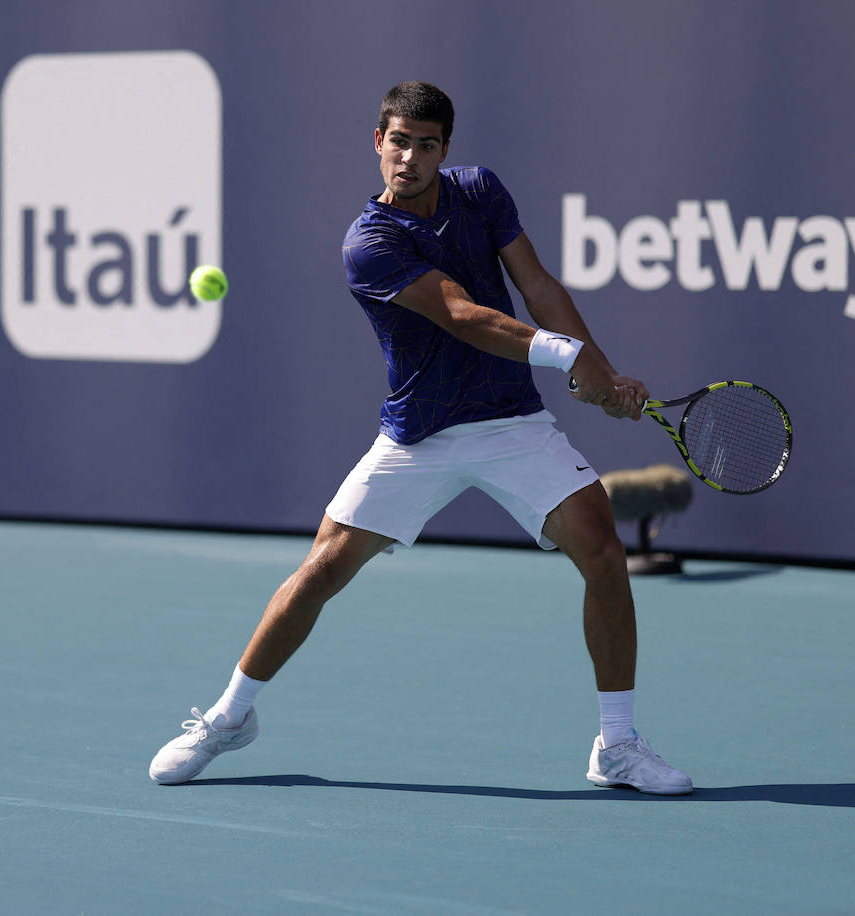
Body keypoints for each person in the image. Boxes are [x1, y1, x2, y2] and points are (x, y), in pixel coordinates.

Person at [148, 81, 691, 795]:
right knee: (319, 574)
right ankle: (229, 717)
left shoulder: (481, 193)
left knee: (602, 550)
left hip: (510, 421)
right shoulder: (369, 243)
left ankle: (616, 745)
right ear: (377, 143)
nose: (408, 157)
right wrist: (569, 359)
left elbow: (538, 285)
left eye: (425, 144)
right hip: (419, 436)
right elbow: (463, 315)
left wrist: (602, 369)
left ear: (444, 150)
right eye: (397, 142)